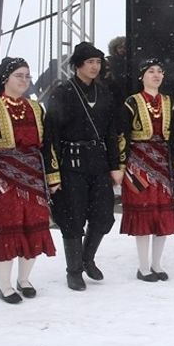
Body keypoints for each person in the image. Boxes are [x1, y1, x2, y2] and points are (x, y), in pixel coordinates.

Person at [0, 58, 60, 303]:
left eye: (27, 75)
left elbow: (48, 145)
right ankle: (5, 285)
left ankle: (24, 279)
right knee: (6, 229)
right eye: (19, 75)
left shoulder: (37, 109)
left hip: (32, 178)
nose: (24, 80)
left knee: (33, 227)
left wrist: (53, 176)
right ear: (6, 79)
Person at [44, 41, 122, 291]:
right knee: (72, 216)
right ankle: (74, 269)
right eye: (89, 62)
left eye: (98, 62)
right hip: (71, 161)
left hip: (98, 160)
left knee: (102, 215)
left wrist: (115, 165)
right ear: (78, 65)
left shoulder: (105, 93)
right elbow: (51, 135)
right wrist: (53, 171)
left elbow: (112, 132)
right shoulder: (62, 92)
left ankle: (88, 257)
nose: (95, 67)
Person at [117, 59, 174, 282]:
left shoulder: (168, 102)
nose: (156, 75)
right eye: (150, 71)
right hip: (138, 164)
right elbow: (122, 135)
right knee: (144, 215)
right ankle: (144, 266)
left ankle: (157, 263)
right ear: (142, 76)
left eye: (159, 72)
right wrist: (119, 166)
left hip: (163, 163)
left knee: (162, 214)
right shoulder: (132, 102)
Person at [104, 36, 129, 100]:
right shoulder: (109, 60)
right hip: (112, 91)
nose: (122, 50)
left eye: (125, 48)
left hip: (126, 90)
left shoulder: (129, 62)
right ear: (114, 48)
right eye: (120, 47)